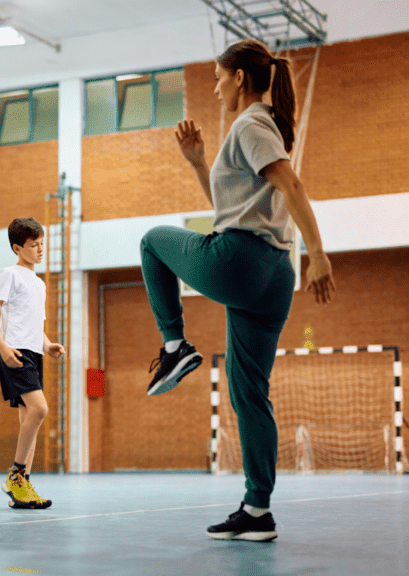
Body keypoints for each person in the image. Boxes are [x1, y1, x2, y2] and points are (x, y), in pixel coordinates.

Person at [140, 39, 336, 542]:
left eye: (218, 76)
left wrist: (320, 252)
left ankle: (174, 345)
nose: (215, 85)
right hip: (273, 278)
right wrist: (198, 162)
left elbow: (292, 184)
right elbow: (230, 210)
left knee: (152, 241)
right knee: (250, 394)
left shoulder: (250, 123)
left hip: (243, 262)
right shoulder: (259, 128)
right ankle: (257, 511)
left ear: (241, 79)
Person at [0, 218, 65, 509]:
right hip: (14, 352)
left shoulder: (39, 283)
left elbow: (32, 322)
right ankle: (16, 475)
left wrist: (47, 344)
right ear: (18, 248)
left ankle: (22, 490)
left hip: (34, 352)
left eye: (42, 243)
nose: (40, 250)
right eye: (34, 245)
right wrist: (3, 348)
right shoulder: (10, 274)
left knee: (27, 420)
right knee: (40, 409)